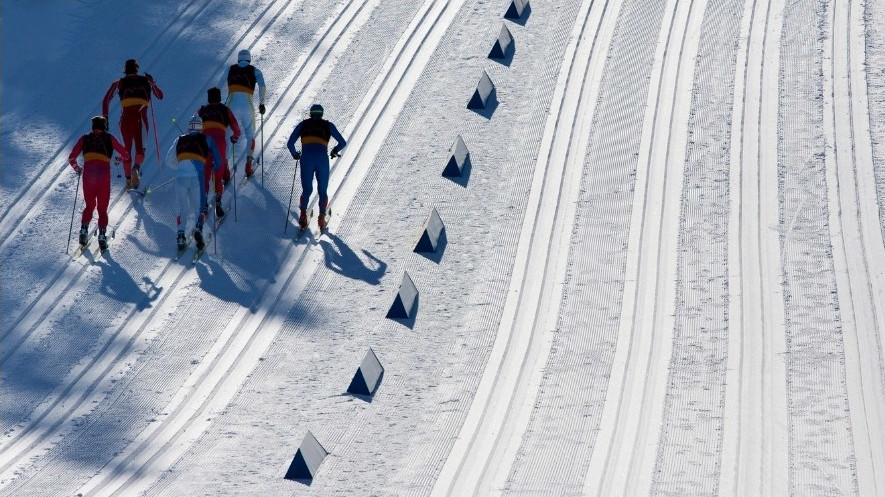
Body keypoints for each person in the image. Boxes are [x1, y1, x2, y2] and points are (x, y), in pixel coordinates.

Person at [68, 116, 131, 251]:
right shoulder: (109, 137)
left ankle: (84, 231)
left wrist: (78, 169)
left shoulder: (84, 138)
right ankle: (102, 236)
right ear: (105, 126)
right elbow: (126, 154)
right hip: (104, 174)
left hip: (88, 173)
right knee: (102, 208)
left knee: (90, 205)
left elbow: (72, 157)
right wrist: (119, 159)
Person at [101, 58, 164, 190]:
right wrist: (152, 82)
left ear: (125, 70)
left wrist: (105, 117)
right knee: (141, 149)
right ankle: (136, 168)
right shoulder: (146, 80)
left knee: (126, 150)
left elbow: (106, 99)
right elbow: (160, 95)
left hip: (125, 120)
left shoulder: (119, 83)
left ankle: (128, 180)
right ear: (137, 69)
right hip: (141, 119)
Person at [164, 115, 222, 251]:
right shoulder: (207, 138)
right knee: (200, 206)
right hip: (198, 175)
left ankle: (180, 236)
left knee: (182, 207)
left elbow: (168, 161)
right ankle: (198, 229)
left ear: (189, 127)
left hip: (180, 176)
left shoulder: (180, 139)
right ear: (201, 128)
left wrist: (180, 167)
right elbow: (218, 161)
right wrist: (213, 166)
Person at [286, 104, 347, 230]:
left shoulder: (303, 125)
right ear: (322, 114)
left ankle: (303, 216)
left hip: (306, 159)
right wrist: (334, 150)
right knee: (322, 190)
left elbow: (290, 143)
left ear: (310, 113)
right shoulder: (328, 125)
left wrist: (295, 154)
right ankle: (321, 218)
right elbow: (342, 142)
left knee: (307, 189)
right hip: (322, 159)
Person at [197, 87, 241, 217]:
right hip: (219, 142)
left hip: (204, 142)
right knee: (218, 170)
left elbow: (193, 124)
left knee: (205, 173)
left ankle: (203, 204)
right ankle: (218, 202)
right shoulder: (225, 110)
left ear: (209, 98)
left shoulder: (202, 110)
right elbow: (236, 127)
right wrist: (235, 137)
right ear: (219, 97)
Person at [223, 49, 266, 178]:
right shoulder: (255, 70)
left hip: (231, 105)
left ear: (238, 59)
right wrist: (262, 103)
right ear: (249, 59)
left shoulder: (229, 69)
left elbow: (219, 85)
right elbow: (262, 86)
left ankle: (225, 169)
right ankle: (248, 166)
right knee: (250, 135)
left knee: (228, 136)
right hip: (247, 105)